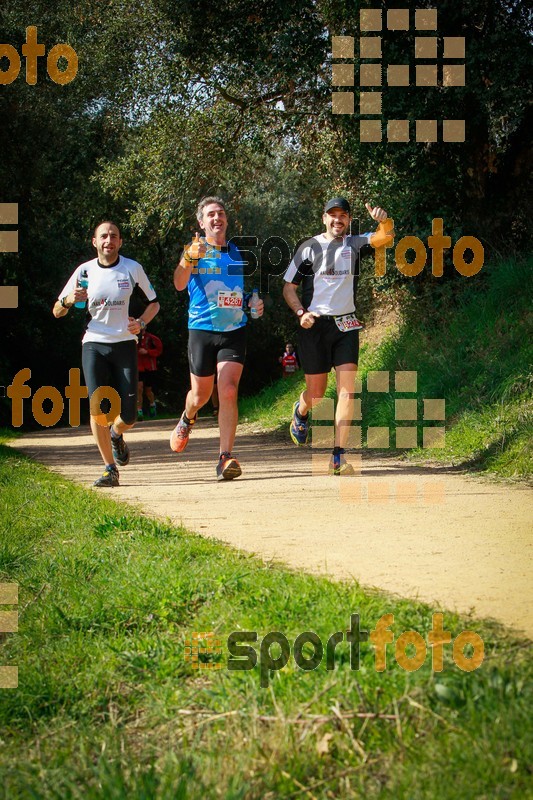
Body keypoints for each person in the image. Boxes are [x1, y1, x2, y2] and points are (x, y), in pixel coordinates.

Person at [282, 198, 392, 475]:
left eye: (342, 215)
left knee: (347, 390)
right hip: (314, 326)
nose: (337, 220)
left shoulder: (355, 244)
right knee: (317, 394)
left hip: (346, 325)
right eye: (332, 215)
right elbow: (288, 288)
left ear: (349, 219)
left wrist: (384, 220)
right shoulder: (308, 248)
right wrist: (300, 313)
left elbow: (385, 238)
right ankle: (301, 410)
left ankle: (338, 456)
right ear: (324, 218)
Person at [53, 221, 160, 487]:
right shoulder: (84, 271)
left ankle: (116, 434)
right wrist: (68, 300)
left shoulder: (132, 268)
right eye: (103, 236)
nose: (108, 240)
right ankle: (109, 469)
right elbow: (57, 310)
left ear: (120, 242)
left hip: (124, 343)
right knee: (97, 407)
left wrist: (142, 323)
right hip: (94, 344)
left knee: (131, 415)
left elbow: (155, 303)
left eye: (113, 236)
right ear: (95, 242)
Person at [171, 196, 264, 480]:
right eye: (210, 214)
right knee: (199, 395)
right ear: (202, 222)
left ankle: (225, 456)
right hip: (201, 330)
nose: (216, 218)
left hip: (234, 331)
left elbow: (235, 293)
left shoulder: (237, 252)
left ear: (226, 220)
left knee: (228, 390)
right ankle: (188, 417)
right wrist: (189, 257)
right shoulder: (194, 250)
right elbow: (178, 283)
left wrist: (252, 302)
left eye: (220, 213)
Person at [137, 329, 163, 419]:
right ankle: (139, 411)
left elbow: (159, 350)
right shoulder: (132, 338)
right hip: (138, 367)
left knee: (148, 390)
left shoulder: (152, 338)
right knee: (139, 388)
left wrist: (148, 352)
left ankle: (152, 404)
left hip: (150, 367)